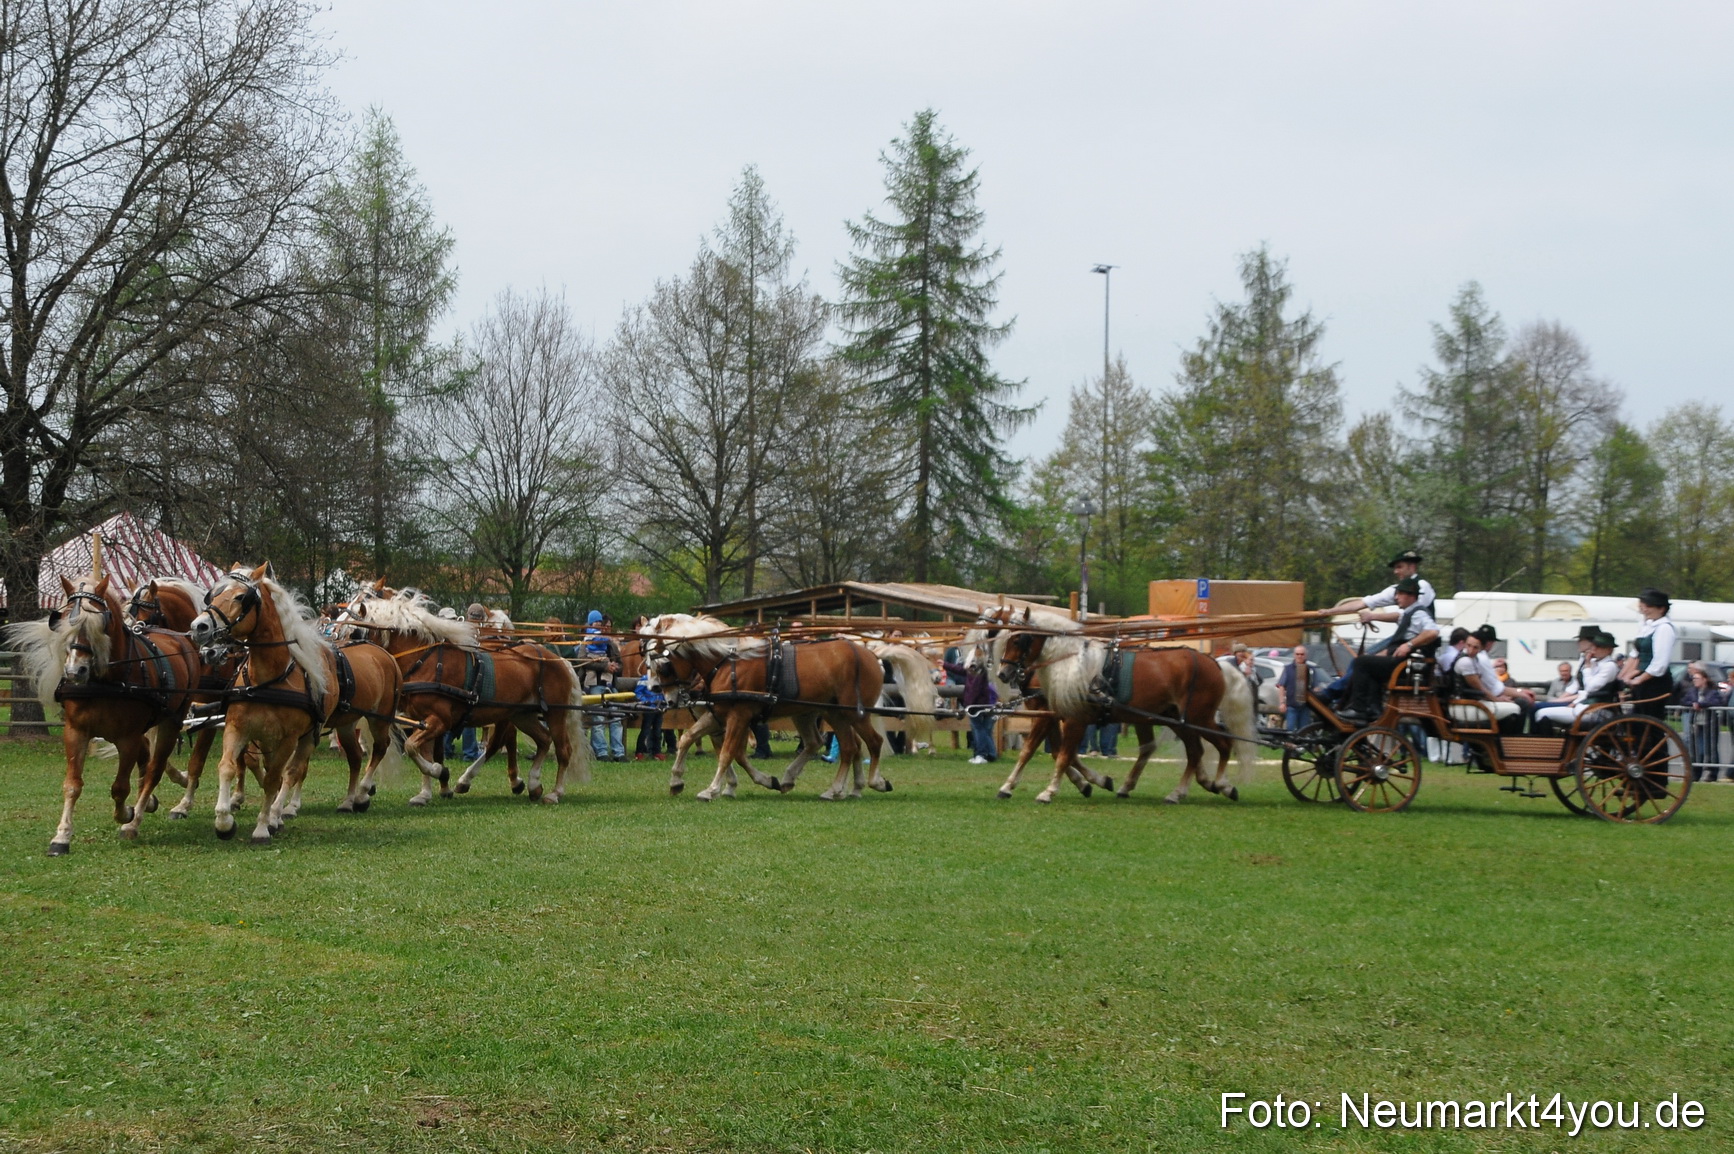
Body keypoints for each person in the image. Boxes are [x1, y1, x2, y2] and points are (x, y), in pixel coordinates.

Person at [1339, 578, 1439, 720]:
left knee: (1361, 662)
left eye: (1399, 594)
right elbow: (1396, 617)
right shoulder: (1408, 613)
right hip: (1402, 662)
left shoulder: (1419, 613)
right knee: (1371, 667)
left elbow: (1433, 632)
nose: (1396, 597)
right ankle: (1373, 709)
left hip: (1406, 665)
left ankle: (1358, 708)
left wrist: (1409, 645)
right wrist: (1372, 616)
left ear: (1411, 595)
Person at [1532, 632, 1621, 735]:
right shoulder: (1596, 663)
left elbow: (1590, 687)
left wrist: (1587, 667)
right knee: (1540, 710)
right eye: (1594, 646)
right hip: (1586, 706)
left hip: (1594, 710)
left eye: (1599, 647)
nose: (1594, 649)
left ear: (1609, 650)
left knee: (1541, 713)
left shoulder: (1609, 666)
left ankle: (1546, 745)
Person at [1446, 633, 1524, 732]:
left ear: (1481, 649)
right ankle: (1510, 741)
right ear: (1465, 644)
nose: (1471, 650)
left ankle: (1503, 741)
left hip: (1472, 703)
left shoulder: (1474, 660)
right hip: (1465, 705)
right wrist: (1496, 699)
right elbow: (1480, 688)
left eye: (1475, 647)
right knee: (1515, 708)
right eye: (1468, 645)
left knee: (1513, 708)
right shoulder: (1465, 662)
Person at [1622, 588, 1677, 721]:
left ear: (1661, 609)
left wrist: (1639, 679)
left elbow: (1659, 663)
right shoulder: (1647, 627)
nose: (1644, 609)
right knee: (1639, 720)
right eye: (1643, 606)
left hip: (1655, 682)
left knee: (1650, 721)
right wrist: (1623, 676)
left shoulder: (1664, 628)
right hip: (1642, 679)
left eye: (1649, 606)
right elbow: (1635, 655)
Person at [579, 609, 626, 762]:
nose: (598, 625)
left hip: (611, 684)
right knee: (598, 719)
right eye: (596, 623)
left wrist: (614, 667)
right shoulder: (585, 642)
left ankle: (618, 752)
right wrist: (604, 667)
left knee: (616, 719)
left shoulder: (610, 643)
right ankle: (601, 752)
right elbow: (582, 661)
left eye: (600, 623)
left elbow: (619, 663)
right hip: (594, 684)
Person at [942, 655, 998, 764]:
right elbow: (961, 670)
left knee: (978, 728)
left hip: (977, 704)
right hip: (986, 703)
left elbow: (974, 690)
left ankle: (981, 754)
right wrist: (945, 664)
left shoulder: (977, 671)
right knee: (986, 729)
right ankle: (991, 754)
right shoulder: (980, 668)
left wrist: (968, 704)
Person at [1680, 663, 1726, 781]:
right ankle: (1696, 772)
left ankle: (1712, 773)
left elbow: (1716, 702)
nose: (1694, 681)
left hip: (1709, 723)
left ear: (1704, 679)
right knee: (1697, 749)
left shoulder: (1712, 691)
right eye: (1693, 678)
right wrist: (1693, 704)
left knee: (1710, 748)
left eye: (1697, 678)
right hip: (1696, 724)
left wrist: (1701, 704)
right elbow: (1685, 701)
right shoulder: (1692, 691)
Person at [1275, 643, 1324, 731]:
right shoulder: (1287, 669)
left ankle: (1300, 745)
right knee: (1290, 730)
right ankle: (1289, 744)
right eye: (1297, 654)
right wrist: (1282, 703)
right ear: (1294, 655)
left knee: (1304, 731)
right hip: (1291, 706)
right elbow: (1281, 686)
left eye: (1302, 654)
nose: (1299, 656)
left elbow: (1316, 686)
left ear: (1306, 655)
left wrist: (1316, 690)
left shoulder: (1311, 670)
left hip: (1305, 706)